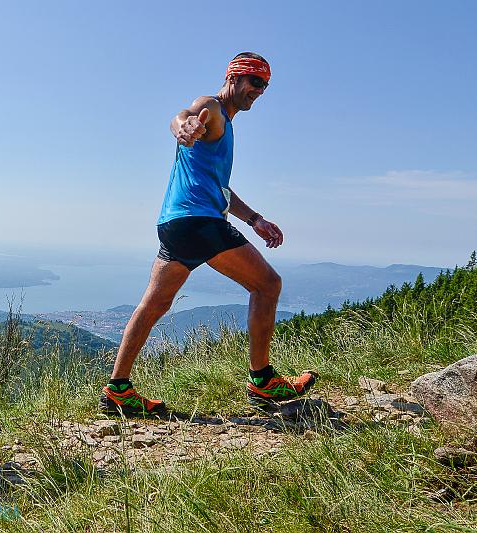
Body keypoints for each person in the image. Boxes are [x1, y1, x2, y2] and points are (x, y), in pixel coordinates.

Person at [99, 52, 316, 416]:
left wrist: (255, 219)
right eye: (255, 81)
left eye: (265, 85)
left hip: (175, 224)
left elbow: (221, 189)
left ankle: (118, 389)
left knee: (154, 304)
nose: (259, 91)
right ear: (233, 77)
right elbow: (185, 115)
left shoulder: (226, 127)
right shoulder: (211, 108)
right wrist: (183, 126)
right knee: (268, 285)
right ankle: (262, 381)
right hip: (200, 222)